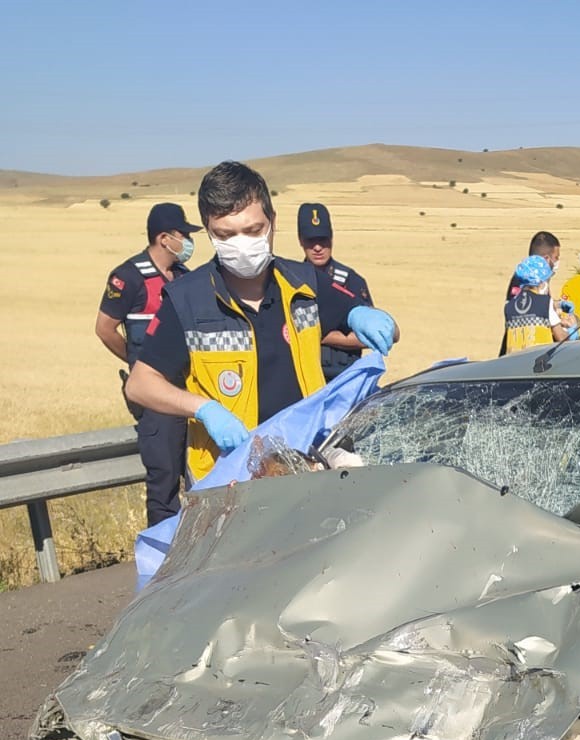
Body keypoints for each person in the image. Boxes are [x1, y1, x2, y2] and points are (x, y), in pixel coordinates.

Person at [126, 161, 396, 484]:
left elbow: (389, 330)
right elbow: (140, 384)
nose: (242, 244)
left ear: (272, 224)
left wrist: (366, 317)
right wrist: (203, 409)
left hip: (306, 471)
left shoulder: (305, 283)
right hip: (229, 484)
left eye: (253, 230)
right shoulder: (187, 301)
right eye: (226, 234)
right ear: (209, 232)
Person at [95, 202, 202, 524]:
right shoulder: (128, 277)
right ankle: (162, 564)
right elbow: (105, 329)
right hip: (157, 402)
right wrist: (138, 362)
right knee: (165, 484)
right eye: (183, 234)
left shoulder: (187, 278)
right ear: (164, 238)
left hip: (192, 392)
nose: (187, 242)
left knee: (202, 479)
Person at [298, 202, 393, 380]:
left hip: (344, 377)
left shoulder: (351, 280)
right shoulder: (292, 281)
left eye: (323, 240)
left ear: (332, 238)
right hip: (305, 378)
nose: (318, 247)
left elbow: (366, 336)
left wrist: (320, 337)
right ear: (300, 240)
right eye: (311, 241)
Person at [498, 231, 561, 355]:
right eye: (556, 258)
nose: (557, 262)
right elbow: (531, 311)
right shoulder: (524, 281)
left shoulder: (536, 278)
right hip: (528, 352)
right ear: (546, 259)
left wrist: (558, 306)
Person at [503, 256, 570, 353]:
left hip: (514, 364)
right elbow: (561, 338)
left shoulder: (509, 306)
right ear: (541, 282)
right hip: (539, 362)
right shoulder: (545, 303)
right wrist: (572, 331)